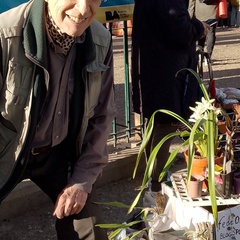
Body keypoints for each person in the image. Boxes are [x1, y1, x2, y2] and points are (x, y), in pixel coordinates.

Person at [0, 0, 116, 239]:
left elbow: (102, 116)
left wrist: (81, 182)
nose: (83, 9)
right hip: (6, 150)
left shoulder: (100, 39)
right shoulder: (5, 34)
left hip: (57, 153)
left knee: (90, 228)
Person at [131, 0, 209, 192]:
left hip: (157, 66)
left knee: (157, 122)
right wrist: (200, 28)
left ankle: (153, 180)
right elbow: (180, 30)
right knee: (166, 124)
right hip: (167, 71)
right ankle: (156, 184)